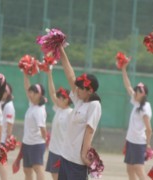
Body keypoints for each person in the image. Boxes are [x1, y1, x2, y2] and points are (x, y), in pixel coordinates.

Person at [58, 46, 102, 180]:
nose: (77, 90)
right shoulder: (79, 100)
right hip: (66, 156)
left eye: (81, 88)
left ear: (90, 90)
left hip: (77, 162)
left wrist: (84, 154)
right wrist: (60, 48)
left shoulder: (94, 105)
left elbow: (89, 131)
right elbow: (70, 74)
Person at [121, 61, 152, 180]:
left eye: (138, 91)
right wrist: (123, 69)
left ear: (143, 94)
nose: (135, 92)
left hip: (139, 143)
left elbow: (149, 129)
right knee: (130, 169)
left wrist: (147, 144)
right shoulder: (136, 102)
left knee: (139, 170)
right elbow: (128, 86)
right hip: (131, 141)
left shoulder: (145, 107)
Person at [45, 69, 73, 180]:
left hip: (63, 152)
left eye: (63, 97)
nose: (60, 99)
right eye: (59, 97)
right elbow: (52, 93)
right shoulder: (58, 109)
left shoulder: (71, 113)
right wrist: (49, 73)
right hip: (53, 149)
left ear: (68, 100)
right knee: (54, 175)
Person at [22, 73, 47, 180]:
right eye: (31, 92)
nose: (31, 94)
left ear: (40, 95)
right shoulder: (32, 105)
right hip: (27, 143)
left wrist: (44, 142)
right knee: (27, 169)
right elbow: (27, 87)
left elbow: (43, 129)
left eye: (34, 92)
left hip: (36, 144)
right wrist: (25, 74)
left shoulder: (39, 110)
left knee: (37, 168)